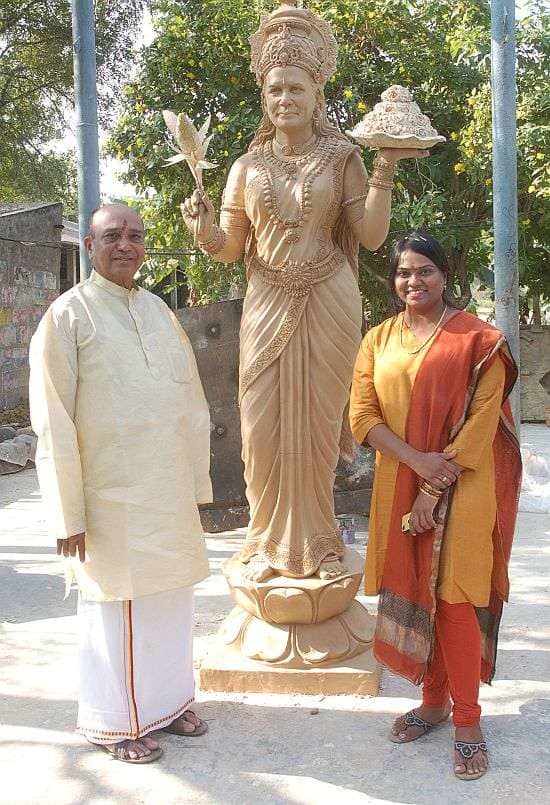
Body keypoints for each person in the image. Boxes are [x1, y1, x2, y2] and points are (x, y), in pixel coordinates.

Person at [180, 0, 426, 582]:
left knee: (317, 427)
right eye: (274, 91)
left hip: (329, 301)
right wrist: (203, 231)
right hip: (267, 303)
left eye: (295, 88)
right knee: (261, 429)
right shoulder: (244, 166)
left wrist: (385, 166)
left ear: (317, 93)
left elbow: (368, 238)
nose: (284, 99)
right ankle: (266, 543)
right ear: (263, 98)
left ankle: (319, 542)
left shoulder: (343, 158)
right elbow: (232, 248)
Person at [29, 204, 212, 764]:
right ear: (89, 245)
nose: (126, 245)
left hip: (166, 493)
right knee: (119, 609)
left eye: (135, 236)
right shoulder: (68, 316)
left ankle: (168, 702)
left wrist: (197, 487)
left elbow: (191, 403)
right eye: (113, 236)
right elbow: (52, 418)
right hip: (108, 501)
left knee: (171, 602)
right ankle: (115, 723)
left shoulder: (160, 310)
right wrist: (67, 512)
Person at [349, 232, 521, 780]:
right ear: (393, 281)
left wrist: (433, 483)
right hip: (400, 477)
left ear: (446, 275)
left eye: (425, 270)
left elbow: (481, 424)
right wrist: (417, 465)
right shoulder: (377, 339)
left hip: (465, 484)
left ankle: (467, 720)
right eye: (403, 272)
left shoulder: (479, 340)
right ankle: (434, 700)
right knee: (416, 587)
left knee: (454, 597)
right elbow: (362, 418)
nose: (413, 281)